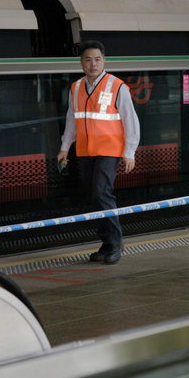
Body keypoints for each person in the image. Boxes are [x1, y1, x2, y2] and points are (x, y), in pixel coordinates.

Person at [57, 41, 140, 264]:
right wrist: (65, 148)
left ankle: (114, 244)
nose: (93, 64)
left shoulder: (117, 86)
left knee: (102, 193)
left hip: (110, 150)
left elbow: (130, 120)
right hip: (85, 151)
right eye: (88, 59)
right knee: (95, 197)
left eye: (97, 59)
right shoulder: (75, 88)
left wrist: (129, 151)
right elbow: (71, 120)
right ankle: (106, 243)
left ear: (104, 61)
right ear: (81, 63)